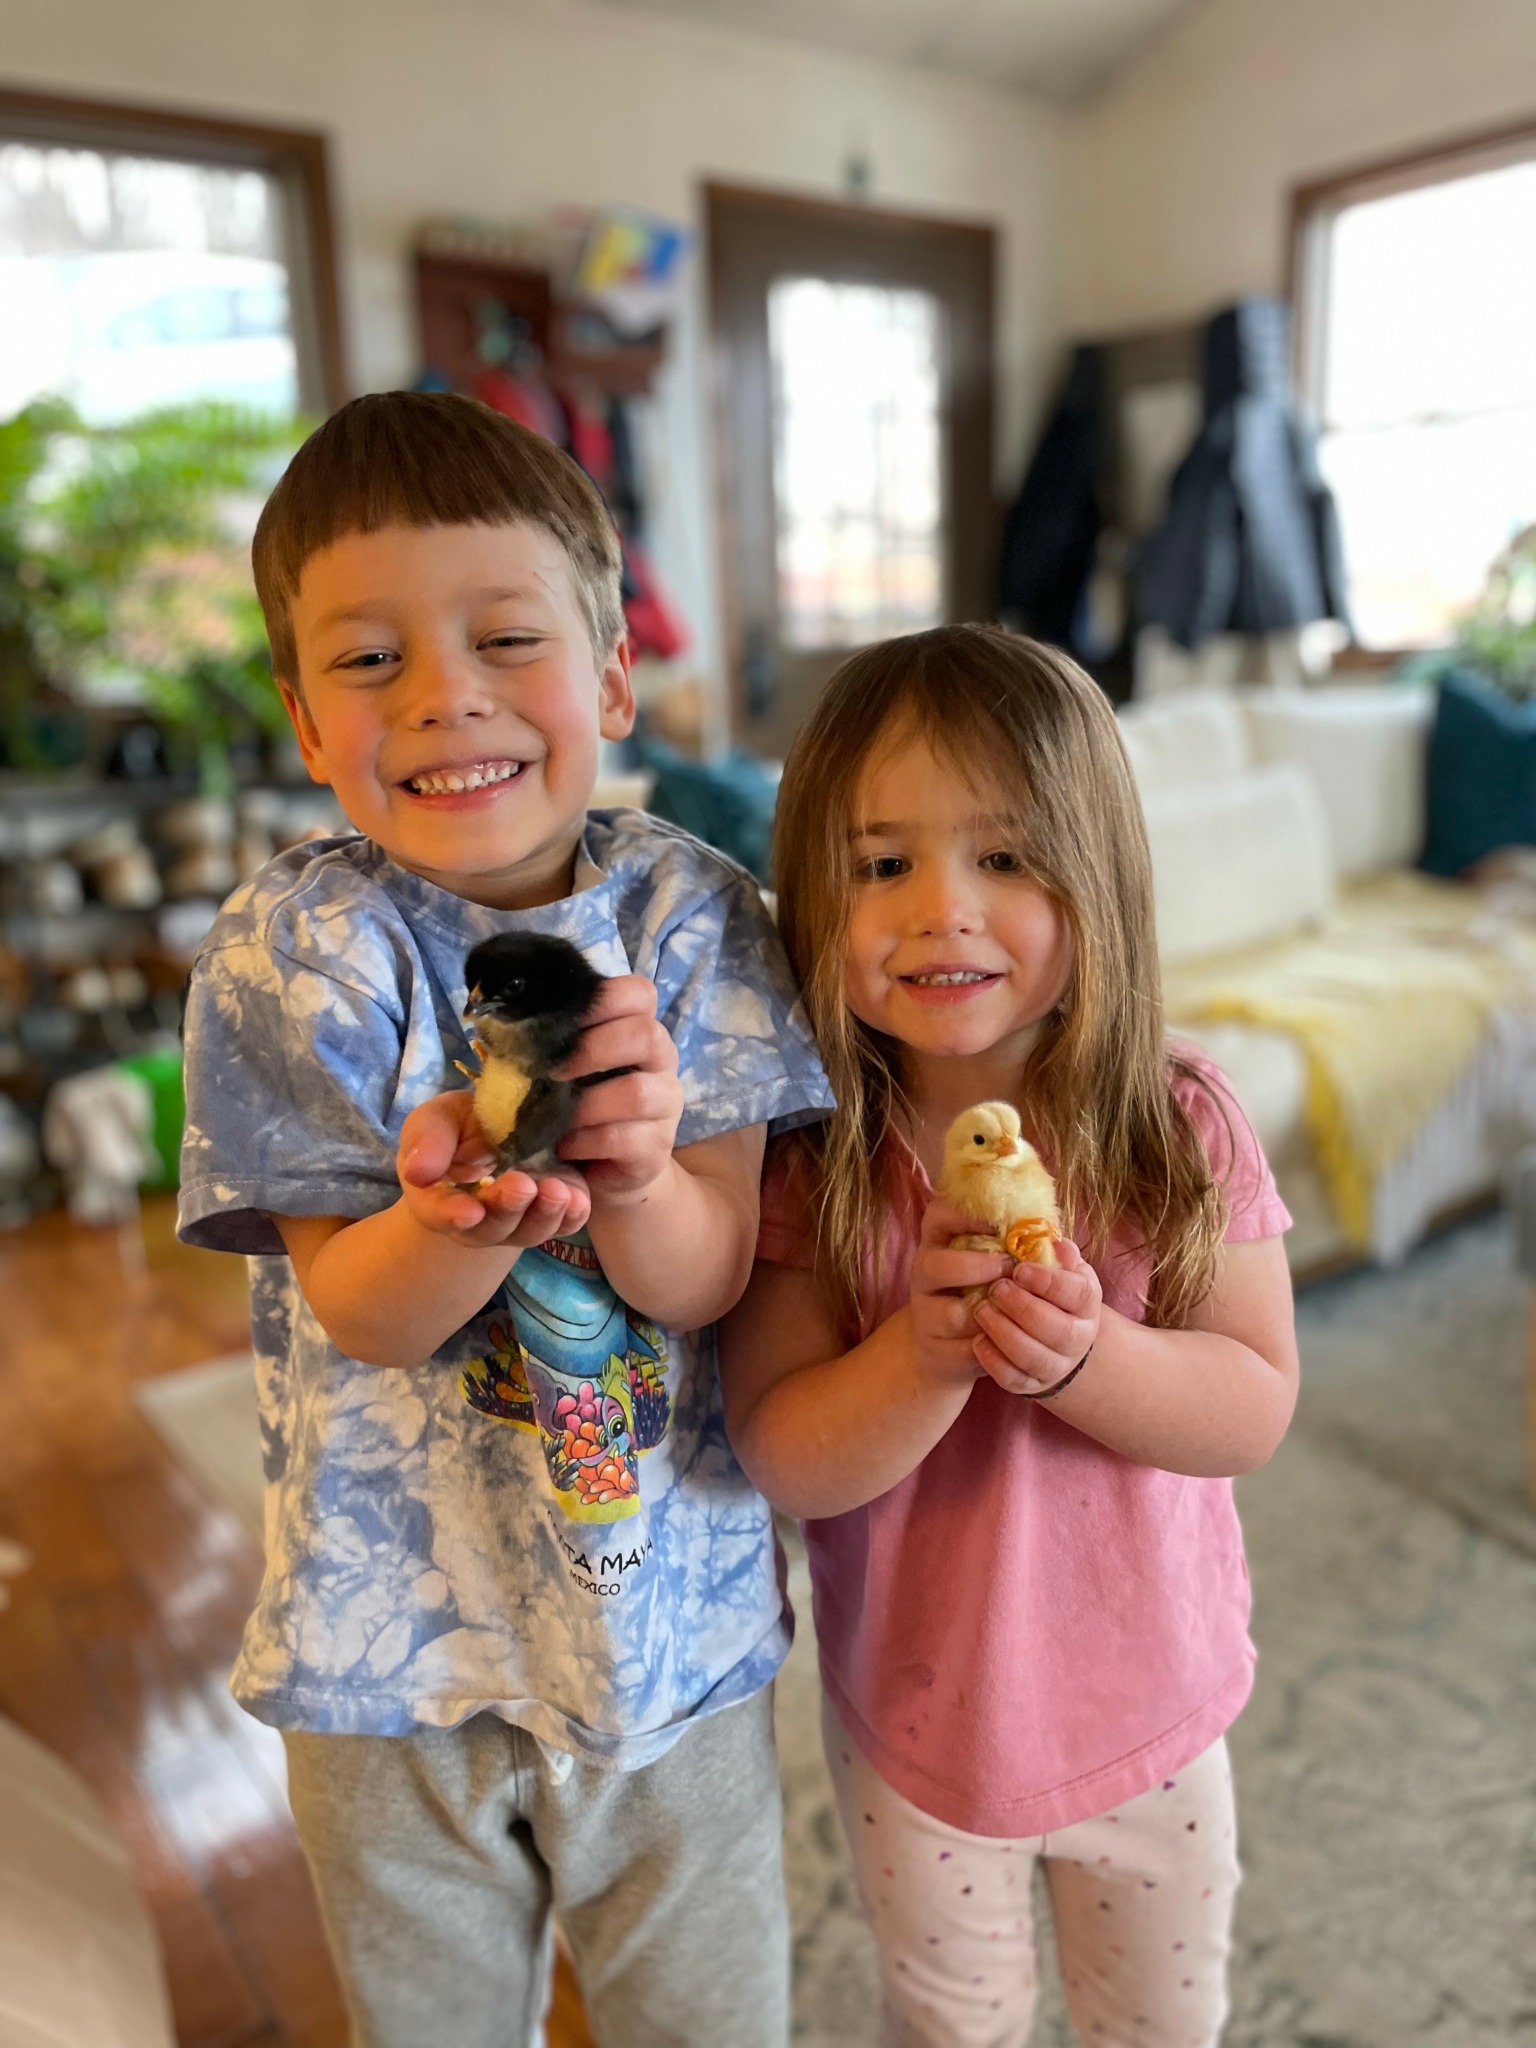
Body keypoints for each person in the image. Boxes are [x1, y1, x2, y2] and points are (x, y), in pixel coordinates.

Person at [177, 391, 831, 2048]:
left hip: (666, 1635)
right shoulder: (287, 952)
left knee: (709, 2021)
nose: (444, 693)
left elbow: (711, 1274)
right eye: (369, 658)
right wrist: (463, 1209)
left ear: (610, 676)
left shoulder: (698, 919)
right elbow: (366, 1311)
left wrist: (641, 1174)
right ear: (304, 720)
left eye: (507, 638)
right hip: (385, 1655)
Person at [719, 625, 1299, 2048]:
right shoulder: (812, 1158)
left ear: (1097, 878)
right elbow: (784, 1450)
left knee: (1161, 2024)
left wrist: (1093, 1359)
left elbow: (1252, 1403)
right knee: (951, 2026)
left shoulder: (1180, 1123)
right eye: (880, 864)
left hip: (1155, 1717)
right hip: (922, 1735)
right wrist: (920, 1360)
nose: (940, 910)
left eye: (1003, 856)